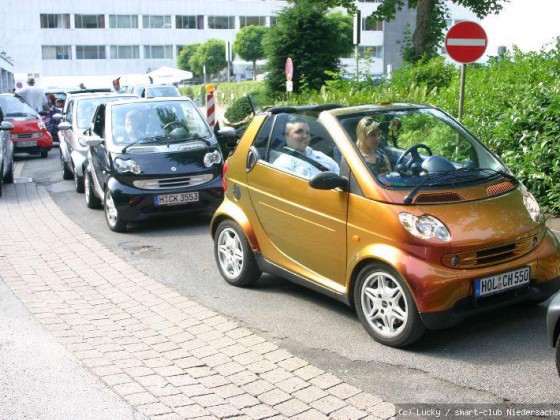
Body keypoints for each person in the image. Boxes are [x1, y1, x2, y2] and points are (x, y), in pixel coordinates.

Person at [274, 117, 339, 178]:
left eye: (307, 133)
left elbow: (340, 173)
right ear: (287, 135)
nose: (305, 136)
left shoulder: (320, 155)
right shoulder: (283, 163)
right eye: (299, 132)